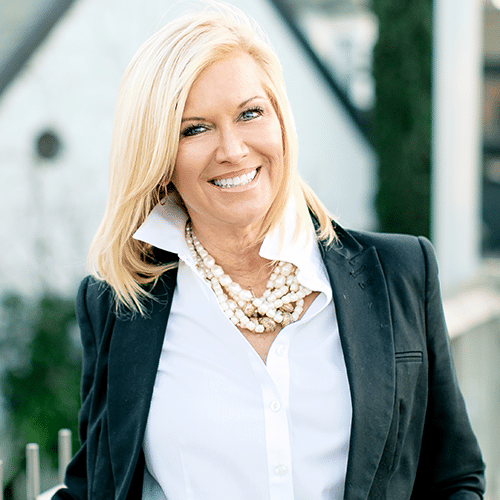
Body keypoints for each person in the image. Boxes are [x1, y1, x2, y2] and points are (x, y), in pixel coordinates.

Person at [53, 3, 485, 499]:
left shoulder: (403, 274)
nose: (233, 149)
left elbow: (453, 478)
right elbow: (94, 486)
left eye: (249, 113)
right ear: (159, 157)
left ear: (281, 120)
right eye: (195, 128)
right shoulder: (119, 304)